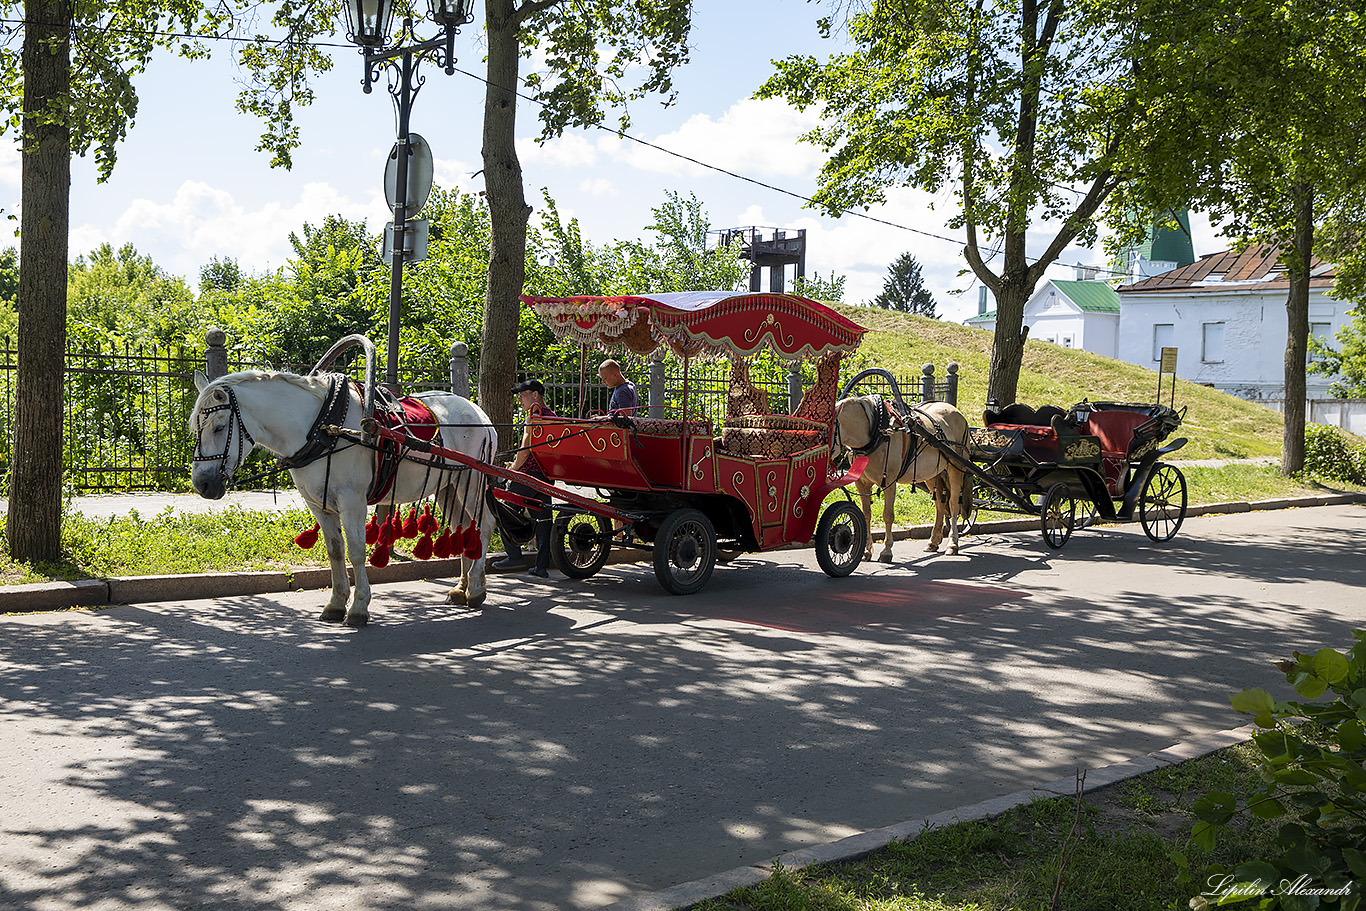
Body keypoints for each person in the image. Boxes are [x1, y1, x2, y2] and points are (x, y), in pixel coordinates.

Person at [494, 379, 557, 578]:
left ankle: (514, 556)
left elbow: (526, 447)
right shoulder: (552, 416)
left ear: (536, 395)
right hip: (545, 475)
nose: (519, 398)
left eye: (523, 394)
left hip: (529, 475)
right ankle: (541, 566)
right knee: (543, 519)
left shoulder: (534, 415)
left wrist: (514, 468)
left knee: (503, 510)